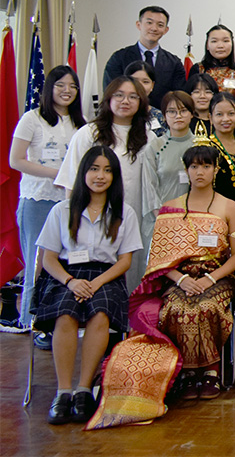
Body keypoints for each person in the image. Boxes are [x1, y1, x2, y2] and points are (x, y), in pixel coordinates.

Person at [88, 146, 235, 428]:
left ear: (216, 170)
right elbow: (159, 258)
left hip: (217, 277)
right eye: (194, 167)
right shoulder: (170, 208)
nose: (200, 172)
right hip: (178, 278)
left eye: (206, 166)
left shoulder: (229, 206)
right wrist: (182, 280)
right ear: (186, 171)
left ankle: (210, 372)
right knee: (176, 308)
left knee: (207, 307)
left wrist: (209, 279)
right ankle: (183, 372)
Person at [35, 146, 140, 425]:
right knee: (66, 312)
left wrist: (95, 283)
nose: (100, 176)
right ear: (83, 172)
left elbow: (124, 261)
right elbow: (48, 259)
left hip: (106, 276)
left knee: (101, 311)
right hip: (66, 276)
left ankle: (84, 389)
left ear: (114, 177)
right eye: (94, 169)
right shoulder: (62, 210)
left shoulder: (124, 212)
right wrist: (71, 281)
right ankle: (63, 392)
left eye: (107, 170)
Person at [56, 77, 156, 289]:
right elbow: (71, 181)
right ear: (108, 99)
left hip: (135, 216)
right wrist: (73, 220)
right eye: (119, 95)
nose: (125, 101)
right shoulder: (89, 133)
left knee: (132, 273)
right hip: (92, 217)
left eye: (132, 96)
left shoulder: (149, 137)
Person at [12, 65, 84, 329]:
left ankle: (61, 318)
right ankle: (31, 319)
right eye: (61, 85)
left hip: (71, 202)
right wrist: (59, 174)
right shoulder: (32, 118)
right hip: (38, 200)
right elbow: (16, 160)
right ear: (49, 88)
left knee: (69, 262)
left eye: (72, 86)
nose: (67, 91)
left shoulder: (81, 122)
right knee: (39, 260)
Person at [103, 6, 185, 108]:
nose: (154, 28)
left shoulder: (174, 63)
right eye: (149, 23)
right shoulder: (119, 58)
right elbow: (110, 91)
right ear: (139, 25)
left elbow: (178, 97)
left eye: (160, 25)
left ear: (166, 30)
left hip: (161, 119)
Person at [145, 91, 197, 224]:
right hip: (161, 218)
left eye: (183, 111)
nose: (178, 116)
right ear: (164, 116)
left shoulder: (201, 145)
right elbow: (149, 186)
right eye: (172, 111)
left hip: (196, 217)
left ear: (192, 114)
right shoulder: (155, 146)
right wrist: (161, 216)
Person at [195, 93, 235, 208]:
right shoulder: (205, 149)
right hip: (217, 213)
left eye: (231, 114)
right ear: (210, 117)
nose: (226, 119)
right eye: (219, 114)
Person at [188, 24, 235, 98]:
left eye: (225, 41)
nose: (220, 46)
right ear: (207, 45)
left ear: (232, 44)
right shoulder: (198, 69)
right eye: (214, 41)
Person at [124, 62, 166, 137]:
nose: (140, 86)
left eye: (145, 82)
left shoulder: (160, 116)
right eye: (135, 81)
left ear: (152, 85)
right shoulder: (119, 112)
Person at [185, 72, 219, 137]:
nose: (202, 96)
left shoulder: (220, 120)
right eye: (196, 92)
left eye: (207, 92)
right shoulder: (185, 121)